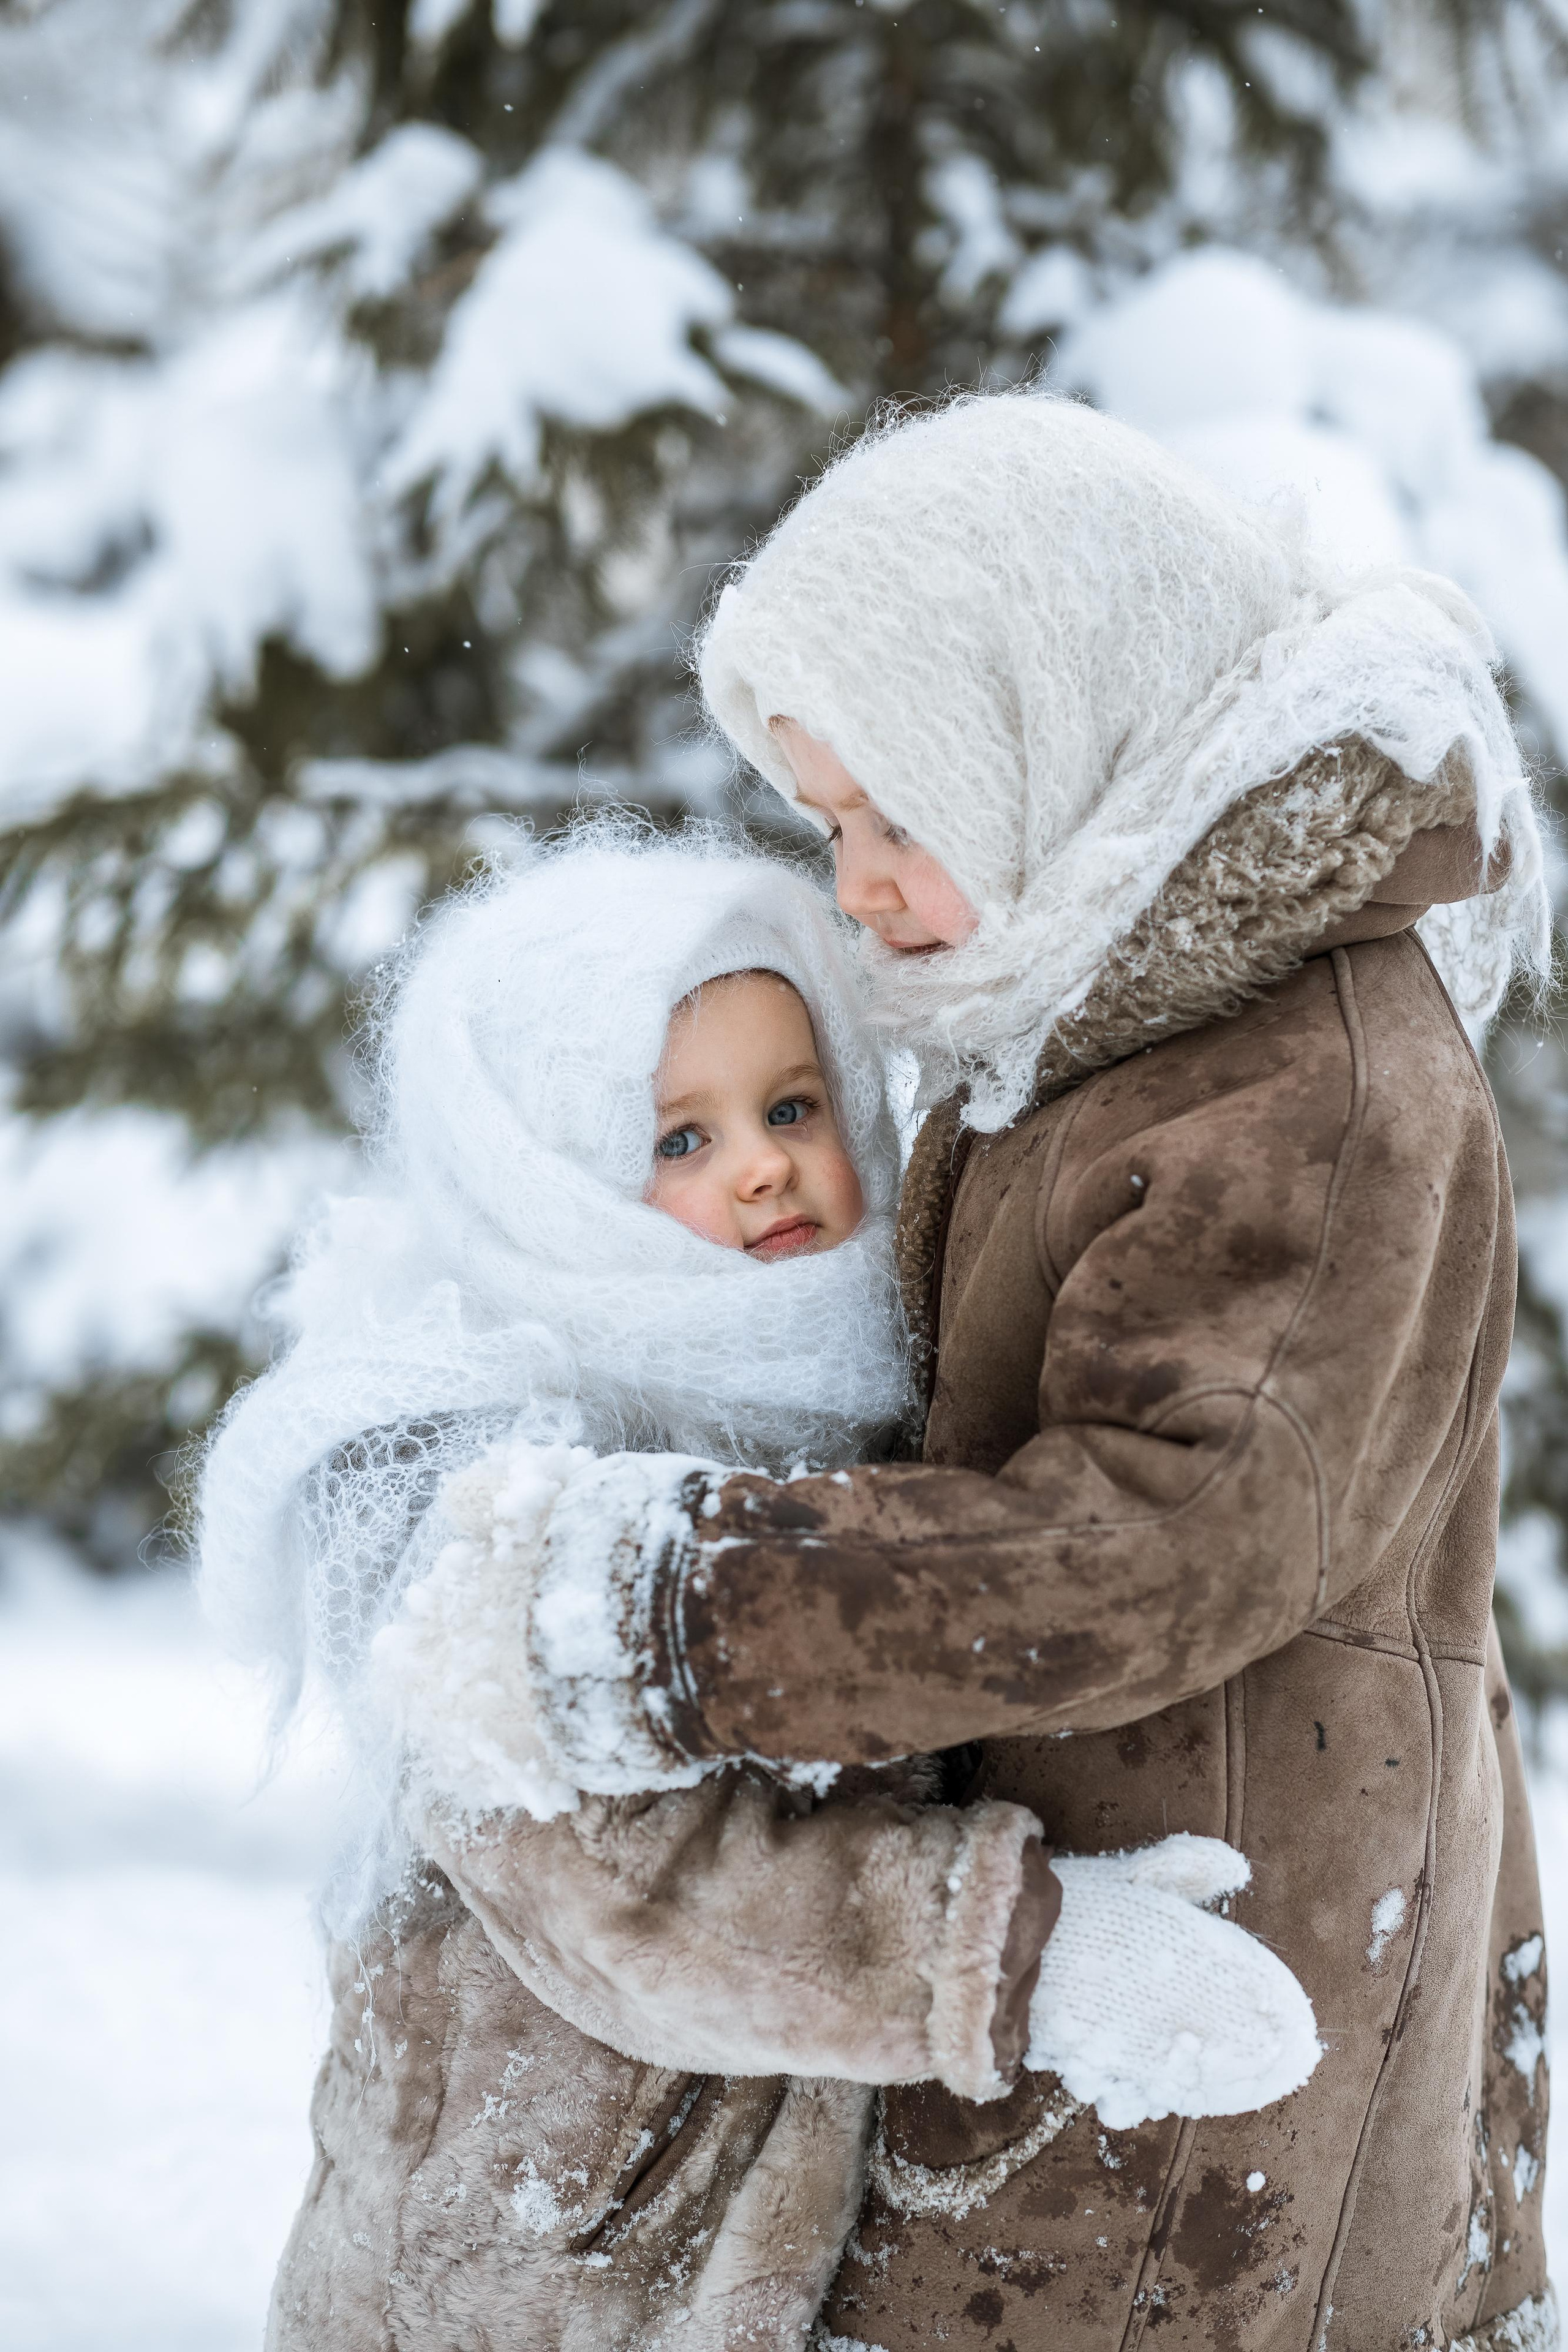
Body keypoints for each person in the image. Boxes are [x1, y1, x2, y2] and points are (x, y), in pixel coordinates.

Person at [469, 395, 1557, 2351]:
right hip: (1104, 1927)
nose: (859, 883)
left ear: (1051, 726)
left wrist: (664, 1610)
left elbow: (1156, 1538)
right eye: (829, 826)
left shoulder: (1305, 1090)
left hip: (1223, 1990)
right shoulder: (1093, 1010)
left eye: (897, 813)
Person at [199, 828, 1315, 2352]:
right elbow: (616, 1887)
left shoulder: (858, 1403)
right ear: (543, 1171)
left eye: (793, 1105)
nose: (761, 1163)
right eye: (674, 1139)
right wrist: (1016, 1951)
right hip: (514, 2265)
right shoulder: (476, 1492)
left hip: (732, 2259)